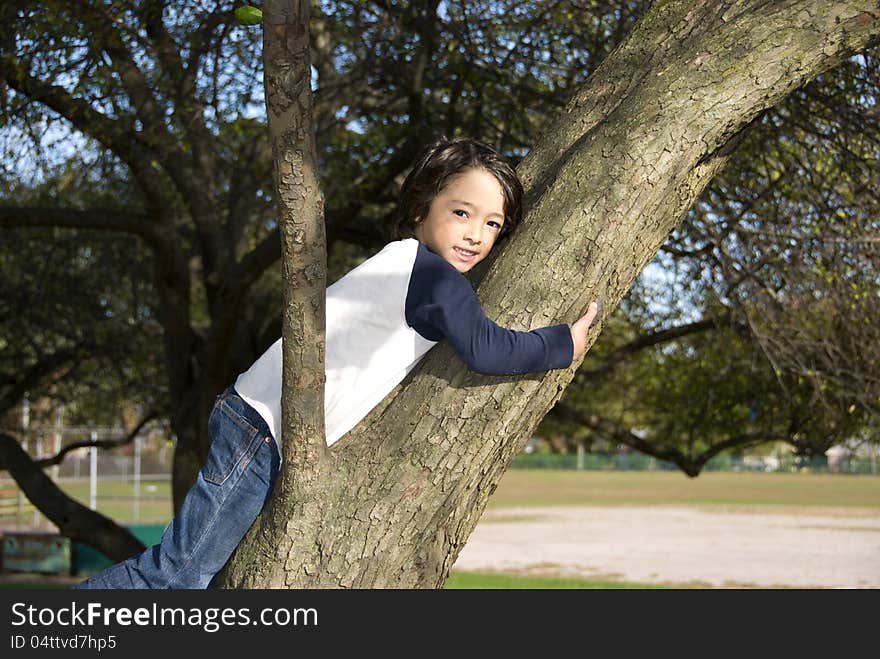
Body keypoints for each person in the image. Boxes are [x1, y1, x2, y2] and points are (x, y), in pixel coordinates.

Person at [74, 136, 600, 589]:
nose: (475, 234)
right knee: (174, 576)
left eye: (492, 223)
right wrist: (562, 345)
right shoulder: (435, 277)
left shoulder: (397, 260)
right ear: (422, 209)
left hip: (254, 418)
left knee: (206, 573)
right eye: (461, 213)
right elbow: (487, 348)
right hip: (263, 428)